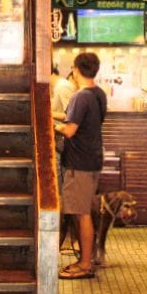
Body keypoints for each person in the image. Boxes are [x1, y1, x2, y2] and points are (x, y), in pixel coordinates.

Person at [55, 51, 106, 280]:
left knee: (82, 213)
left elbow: (70, 130)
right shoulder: (98, 94)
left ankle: (86, 264)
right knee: (81, 210)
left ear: (75, 70)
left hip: (79, 163)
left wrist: (54, 127)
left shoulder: (79, 96)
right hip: (92, 160)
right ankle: (85, 259)